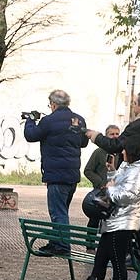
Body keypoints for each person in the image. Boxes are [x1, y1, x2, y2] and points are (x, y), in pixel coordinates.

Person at [62, 134, 140, 280]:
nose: (122, 151)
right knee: (100, 261)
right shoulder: (128, 167)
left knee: (117, 263)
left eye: (125, 148)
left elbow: (127, 196)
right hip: (113, 220)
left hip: (123, 223)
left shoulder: (138, 172)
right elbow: (118, 185)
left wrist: (110, 188)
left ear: (133, 151)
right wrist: (112, 172)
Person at [84, 91, 140, 259]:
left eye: (135, 103)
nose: (133, 106)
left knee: (131, 218)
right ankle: (137, 255)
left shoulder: (137, 126)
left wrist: (94, 136)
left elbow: (115, 145)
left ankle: (136, 256)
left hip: (136, 180)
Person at [23, 89, 87, 256]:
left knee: (58, 212)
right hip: (72, 175)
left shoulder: (48, 121)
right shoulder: (79, 120)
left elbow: (31, 135)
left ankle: (62, 246)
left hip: (56, 176)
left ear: (53, 104)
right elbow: (84, 142)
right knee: (61, 211)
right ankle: (56, 241)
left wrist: (30, 120)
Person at [82, 125, 121, 231]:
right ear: (106, 136)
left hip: (117, 191)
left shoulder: (121, 153)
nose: (115, 136)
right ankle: (89, 245)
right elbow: (88, 170)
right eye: (112, 134)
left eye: (117, 134)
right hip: (101, 191)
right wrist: (100, 183)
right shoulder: (99, 152)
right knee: (94, 218)